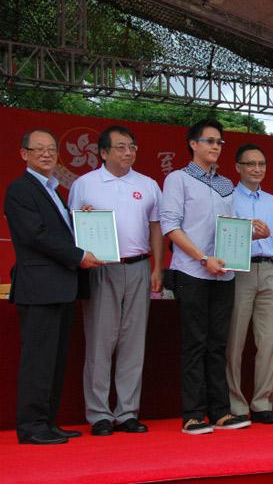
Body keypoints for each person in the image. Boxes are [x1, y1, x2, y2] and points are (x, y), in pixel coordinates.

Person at [160, 119, 268, 434]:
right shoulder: (177, 179)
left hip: (223, 274)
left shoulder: (225, 185)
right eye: (209, 141)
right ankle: (193, 415)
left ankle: (220, 411)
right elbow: (170, 225)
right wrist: (202, 257)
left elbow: (229, 228)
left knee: (218, 343)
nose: (216, 147)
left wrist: (252, 232)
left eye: (220, 142)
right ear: (193, 144)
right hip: (192, 271)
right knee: (195, 342)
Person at [5, 128, 103, 444]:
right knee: (39, 360)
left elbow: (58, 231)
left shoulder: (53, 190)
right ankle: (32, 427)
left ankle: (47, 422)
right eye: (39, 149)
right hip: (40, 288)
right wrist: (79, 256)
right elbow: (36, 236)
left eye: (51, 149)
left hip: (61, 286)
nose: (47, 154)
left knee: (56, 360)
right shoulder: (21, 189)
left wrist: (80, 221)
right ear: (24, 154)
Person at [68, 125, 163, 436]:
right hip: (100, 268)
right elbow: (73, 228)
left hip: (138, 267)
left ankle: (127, 412)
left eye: (132, 147)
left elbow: (155, 229)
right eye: (121, 147)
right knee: (100, 341)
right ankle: (98, 414)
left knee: (133, 343)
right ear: (104, 152)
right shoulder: (85, 184)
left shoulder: (148, 184)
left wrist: (157, 267)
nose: (128, 152)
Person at [226, 143, 273, 425]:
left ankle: (263, 402)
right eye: (250, 164)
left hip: (269, 271)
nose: (257, 169)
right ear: (238, 167)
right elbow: (223, 238)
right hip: (237, 270)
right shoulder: (227, 198)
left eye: (261, 164)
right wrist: (248, 235)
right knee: (235, 341)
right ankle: (236, 404)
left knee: (270, 341)